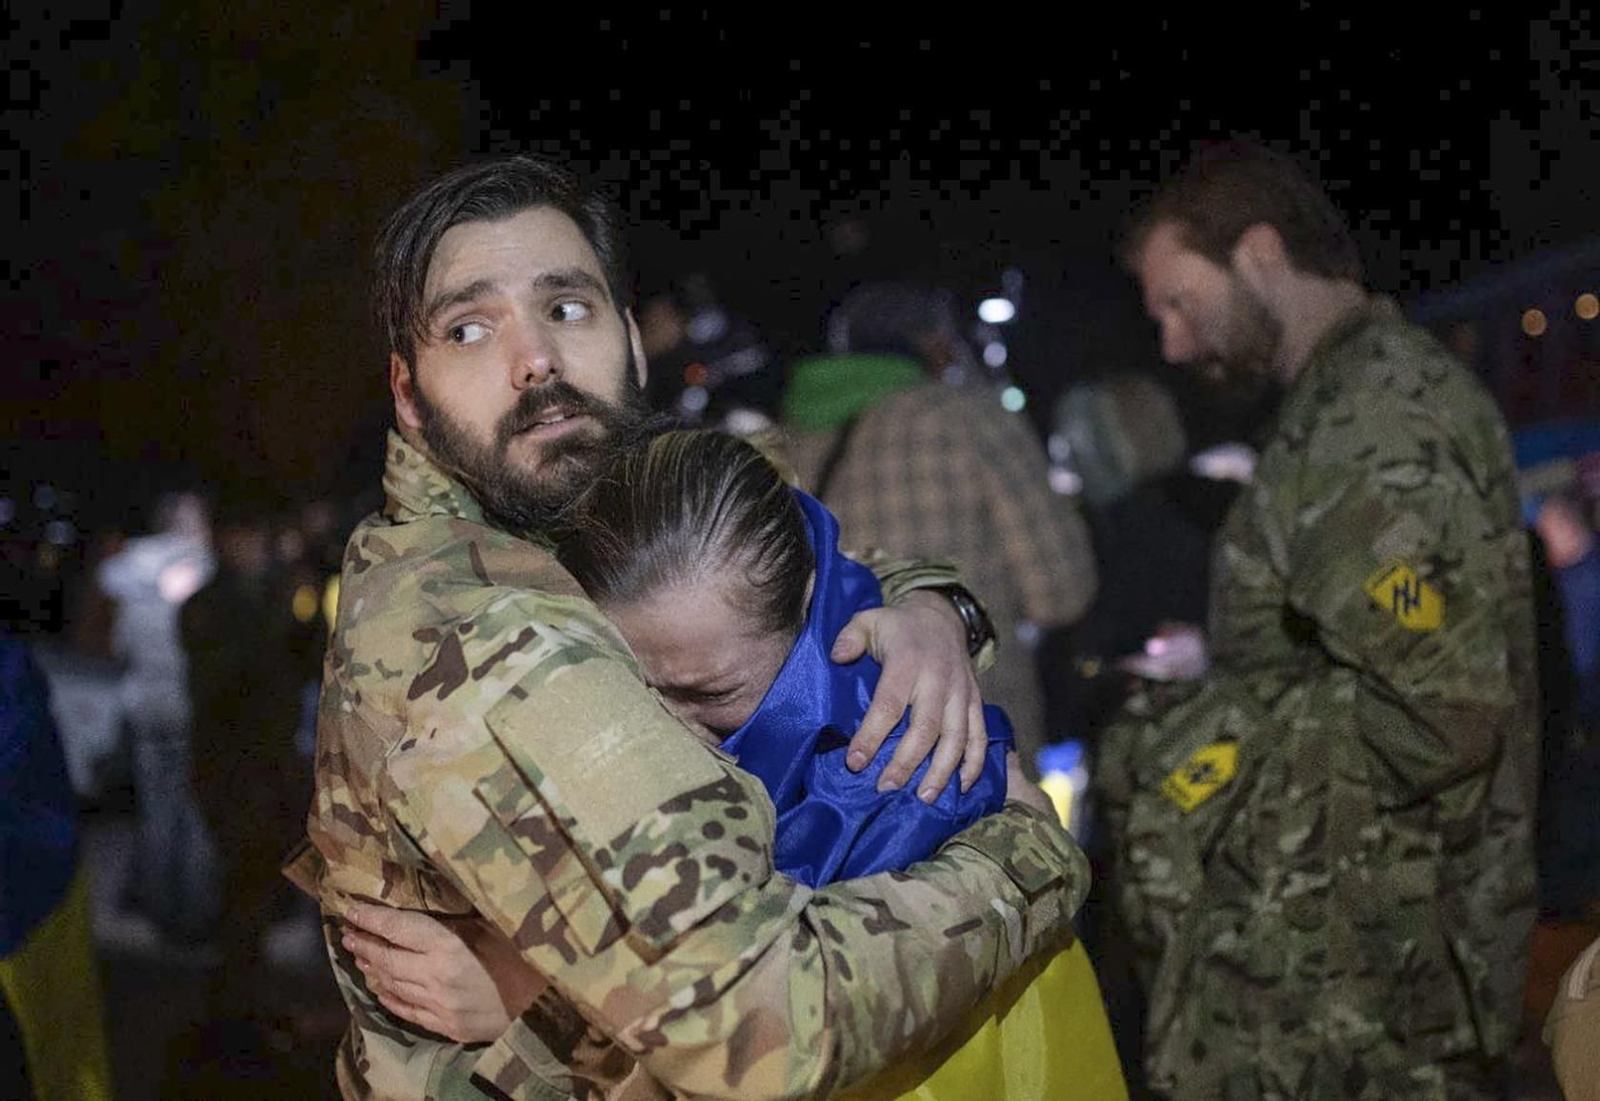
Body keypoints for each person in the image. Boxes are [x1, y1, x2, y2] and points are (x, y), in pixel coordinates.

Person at [294, 155, 1091, 1100]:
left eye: (567, 307)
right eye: (470, 328)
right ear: (409, 394)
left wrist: (925, 608)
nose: (535, 358)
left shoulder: (612, 502)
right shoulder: (483, 625)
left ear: (631, 339)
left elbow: (807, 562)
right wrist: (1025, 859)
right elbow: (763, 1025)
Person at [345, 429, 1127, 1100]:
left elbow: (784, 1024)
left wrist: (530, 1002)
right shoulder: (792, 645)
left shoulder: (877, 772)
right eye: (638, 693)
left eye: (711, 691)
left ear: (811, 604)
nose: (671, 731)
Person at [1094, 140, 1538, 1100]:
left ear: (1258, 253)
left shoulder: (1366, 413)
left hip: (1378, 987)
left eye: (1180, 301)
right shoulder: (1348, 396)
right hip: (1372, 963)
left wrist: (1194, 751)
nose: (1171, 342)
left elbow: (1446, 707)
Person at [780, 281, 1099, 773]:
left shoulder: (783, 444)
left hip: (837, 752)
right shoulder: (967, 417)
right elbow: (1060, 592)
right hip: (974, 741)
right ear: (933, 342)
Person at [96, 488, 221, 942]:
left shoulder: (129, 575)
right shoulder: (208, 573)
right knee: (194, 814)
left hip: (146, 711)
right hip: (192, 711)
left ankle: (158, 909)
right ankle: (194, 915)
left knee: (157, 811)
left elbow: (118, 647)